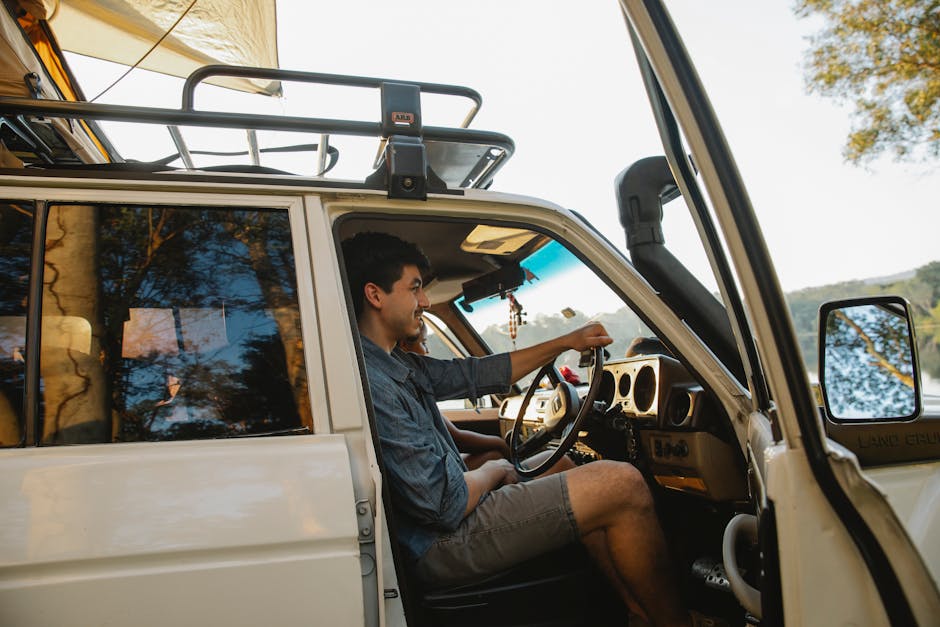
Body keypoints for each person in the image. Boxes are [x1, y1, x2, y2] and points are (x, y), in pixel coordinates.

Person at [342, 232, 689, 626]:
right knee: (621, 484)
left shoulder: (398, 365)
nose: (423, 301)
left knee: (555, 463)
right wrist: (492, 471)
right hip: (440, 544)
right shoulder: (374, 381)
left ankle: (638, 613)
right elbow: (444, 504)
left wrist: (567, 341)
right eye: (415, 288)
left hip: (445, 521)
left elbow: (481, 373)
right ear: (375, 295)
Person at [400, 322, 510, 470]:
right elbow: (457, 438)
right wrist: (501, 443)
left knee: (494, 456)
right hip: (442, 479)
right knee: (495, 456)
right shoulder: (409, 390)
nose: (427, 351)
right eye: (424, 343)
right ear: (404, 347)